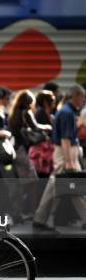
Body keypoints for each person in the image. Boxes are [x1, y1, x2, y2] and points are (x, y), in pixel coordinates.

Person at [33, 84, 86, 232]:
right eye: (82, 96)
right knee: (62, 186)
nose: (84, 100)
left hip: (66, 153)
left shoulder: (66, 111)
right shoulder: (67, 113)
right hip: (66, 154)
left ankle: (39, 219)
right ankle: (39, 219)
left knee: (72, 188)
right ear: (74, 95)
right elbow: (65, 139)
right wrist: (70, 162)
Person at [8, 90, 52, 222]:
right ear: (28, 103)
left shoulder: (14, 113)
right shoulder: (26, 112)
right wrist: (48, 127)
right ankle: (29, 212)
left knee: (23, 182)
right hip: (22, 151)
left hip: (16, 150)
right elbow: (35, 127)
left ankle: (19, 212)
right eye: (32, 102)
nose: (33, 104)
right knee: (31, 182)